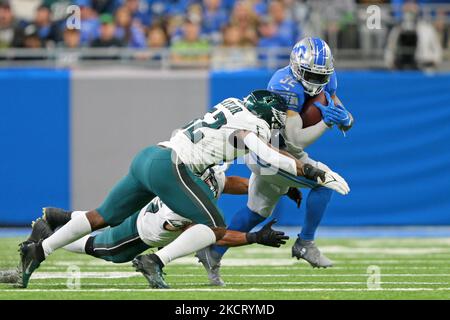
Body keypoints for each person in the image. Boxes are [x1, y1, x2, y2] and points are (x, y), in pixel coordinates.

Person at [18, 89, 348, 288]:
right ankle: (156, 262)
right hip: (171, 169)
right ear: (269, 117)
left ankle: (42, 247)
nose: (274, 129)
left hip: (150, 156)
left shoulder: (234, 106)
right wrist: (308, 169)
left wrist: (280, 181)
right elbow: (265, 152)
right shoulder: (253, 126)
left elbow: (242, 168)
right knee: (214, 226)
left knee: (101, 215)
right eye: (275, 123)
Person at [197, 37, 354, 286]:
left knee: (258, 211)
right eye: (310, 75)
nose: (316, 81)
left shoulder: (328, 78)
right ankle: (305, 243)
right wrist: (326, 122)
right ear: (296, 67)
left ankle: (213, 252)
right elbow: (295, 142)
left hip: (280, 152)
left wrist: (345, 119)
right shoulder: (284, 85)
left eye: (320, 76)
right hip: (269, 152)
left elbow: (344, 113)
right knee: (324, 183)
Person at [6, 166, 291, 288]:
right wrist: (253, 236)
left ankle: (64, 220)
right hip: (142, 232)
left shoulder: (206, 173)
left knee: (105, 219)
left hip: (147, 215)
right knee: (102, 248)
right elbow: (211, 233)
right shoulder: (184, 202)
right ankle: (50, 235)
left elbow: (228, 183)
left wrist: (265, 187)